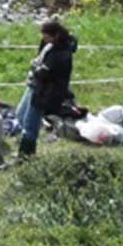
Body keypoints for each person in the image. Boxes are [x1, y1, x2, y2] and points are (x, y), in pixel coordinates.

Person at [15, 19, 77, 158]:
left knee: (30, 124)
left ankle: (26, 155)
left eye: (46, 35)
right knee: (20, 114)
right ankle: (24, 146)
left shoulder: (62, 53)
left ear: (55, 35)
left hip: (46, 92)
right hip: (36, 85)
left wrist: (35, 69)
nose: (44, 38)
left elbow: (46, 73)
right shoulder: (48, 45)